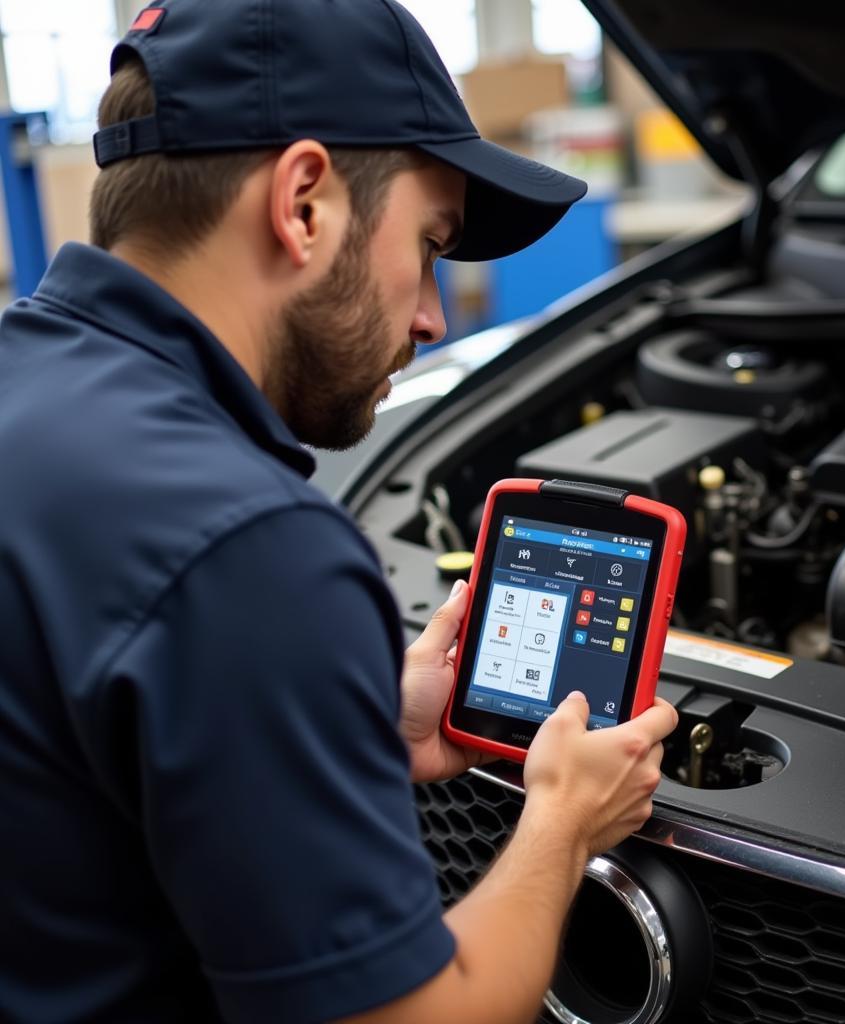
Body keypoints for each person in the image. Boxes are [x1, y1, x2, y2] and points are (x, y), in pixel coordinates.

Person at [0, 1, 678, 1022]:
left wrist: (342, 715)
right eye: (429, 243)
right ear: (304, 201)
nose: (432, 315)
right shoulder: (248, 548)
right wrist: (562, 823)